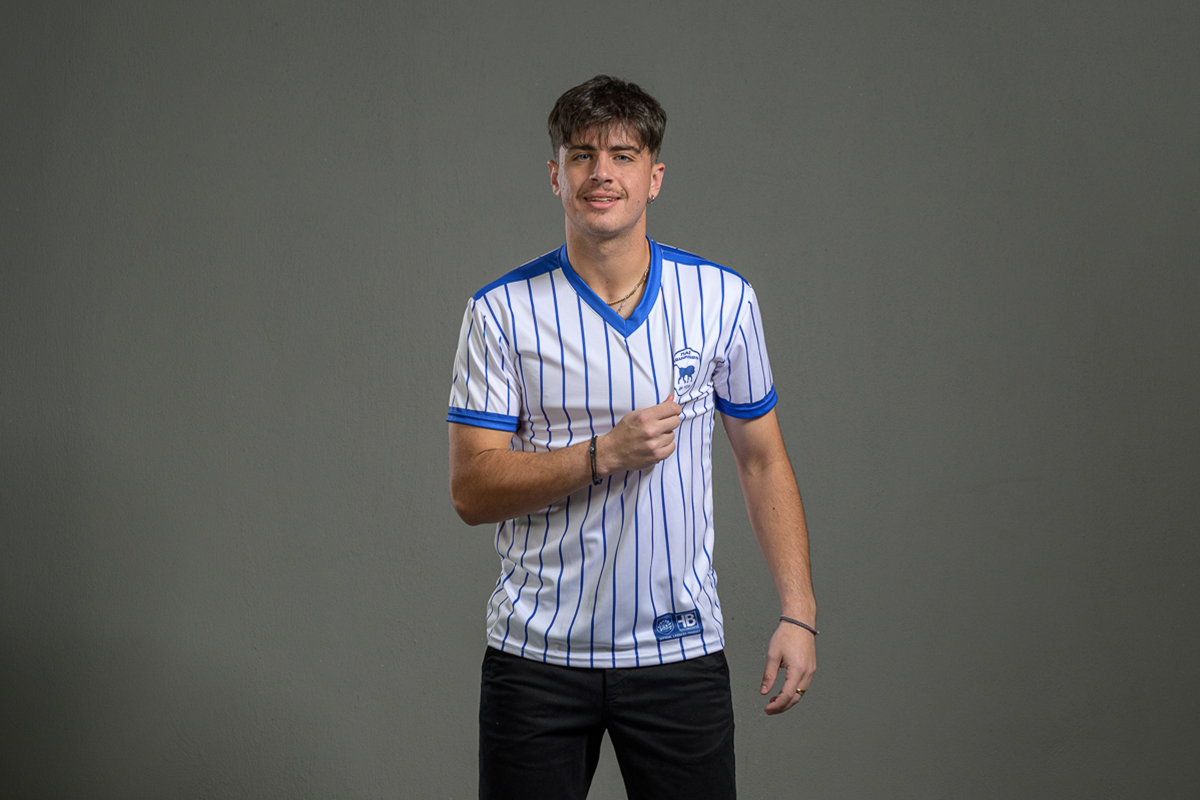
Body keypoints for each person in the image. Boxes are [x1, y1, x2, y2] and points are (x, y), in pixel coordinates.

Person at [446, 75, 817, 800]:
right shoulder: (500, 312)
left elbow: (762, 461)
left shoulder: (723, 299)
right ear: (555, 175)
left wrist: (798, 613)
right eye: (582, 155)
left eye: (622, 155)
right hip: (538, 656)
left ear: (655, 177)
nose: (602, 173)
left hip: (679, 652)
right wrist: (602, 454)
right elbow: (471, 491)